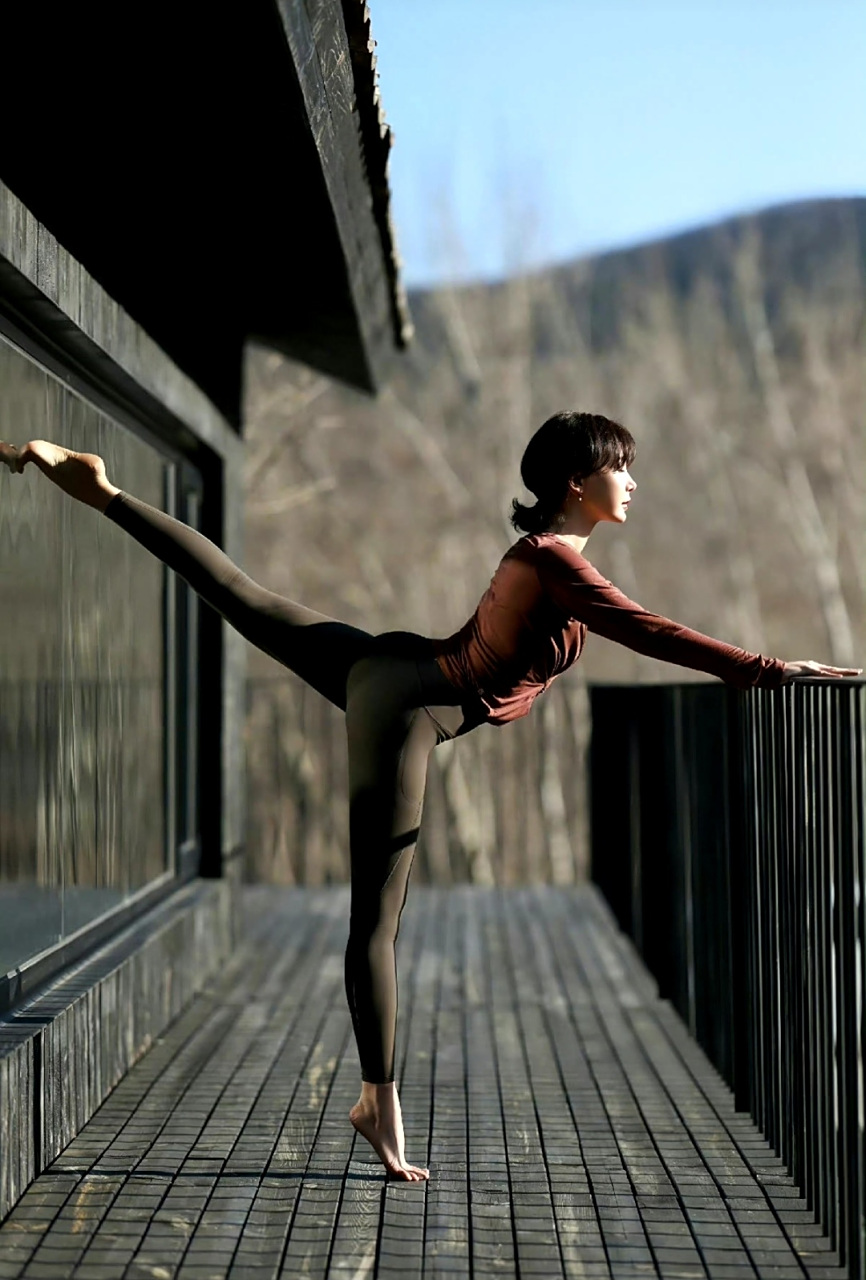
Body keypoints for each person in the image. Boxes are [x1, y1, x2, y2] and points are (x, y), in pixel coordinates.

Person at [1, 411, 860, 1182]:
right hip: (404, 707)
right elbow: (649, 631)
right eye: (620, 467)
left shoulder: (547, 556)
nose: (632, 481)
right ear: (577, 481)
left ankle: (102, 491)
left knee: (246, 598)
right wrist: (768, 670)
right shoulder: (555, 564)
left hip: (398, 664)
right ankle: (377, 1101)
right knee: (376, 923)